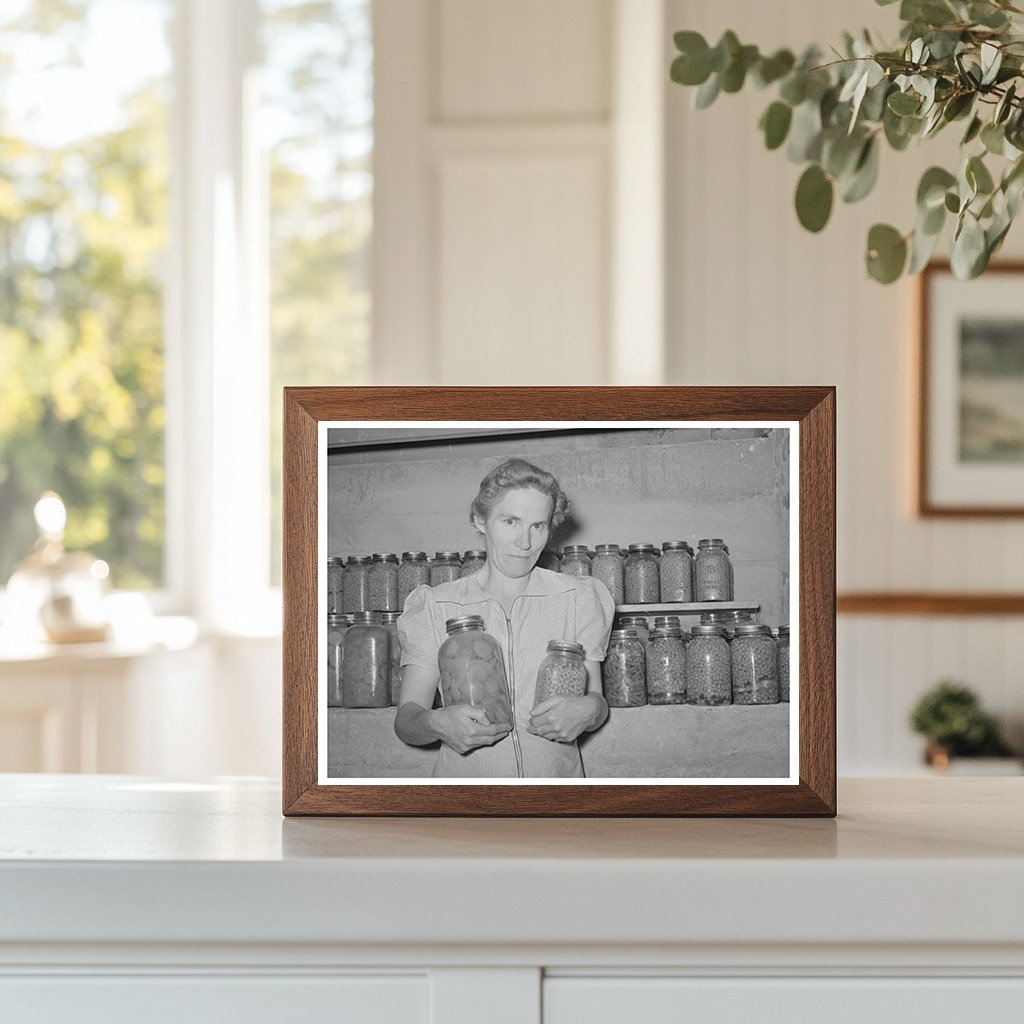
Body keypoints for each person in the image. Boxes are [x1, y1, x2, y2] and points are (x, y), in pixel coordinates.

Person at [394, 458, 614, 777]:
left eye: (537, 526)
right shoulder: (435, 605)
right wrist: (434, 723)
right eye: (510, 522)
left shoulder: (578, 598)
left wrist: (591, 709)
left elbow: (597, 700)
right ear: (480, 520)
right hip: (468, 802)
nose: (524, 544)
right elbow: (406, 720)